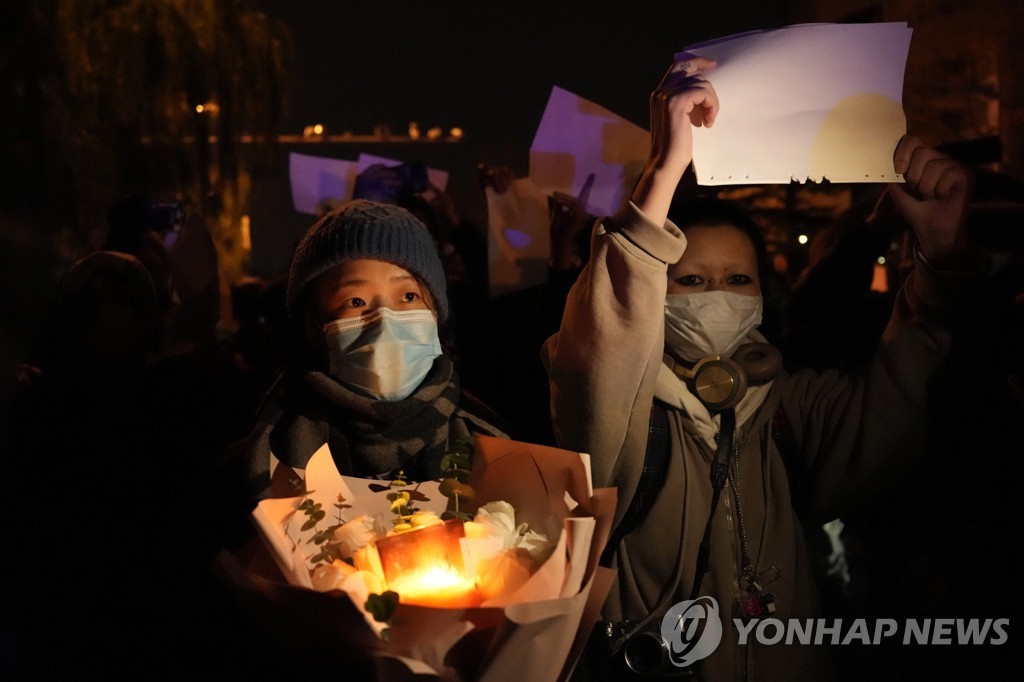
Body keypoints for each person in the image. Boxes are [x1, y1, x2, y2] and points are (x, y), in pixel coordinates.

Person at [542, 56, 987, 681]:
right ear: (652, 291)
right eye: (690, 280)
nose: (716, 294)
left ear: (761, 296)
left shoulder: (790, 408)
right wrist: (664, 173)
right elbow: (601, 355)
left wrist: (941, 255)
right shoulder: (618, 415)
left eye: (737, 280)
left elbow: (908, 389)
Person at [231, 199, 510, 506]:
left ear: (436, 312)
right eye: (356, 302)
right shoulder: (260, 463)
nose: (385, 320)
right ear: (314, 328)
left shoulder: (494, 451)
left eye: (408, 296)